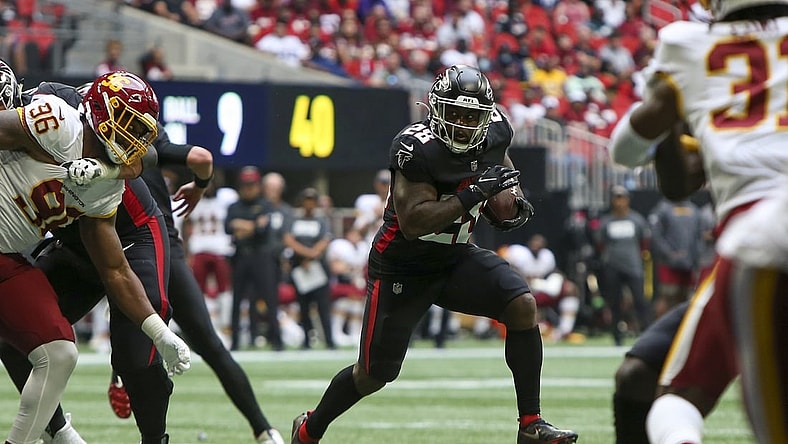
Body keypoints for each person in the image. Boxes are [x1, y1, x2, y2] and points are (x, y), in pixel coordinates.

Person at [289, 65, 577, 444]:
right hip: (402, 265)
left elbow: (502, 170)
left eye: (471, 116)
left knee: (522, 305)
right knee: (374, 374)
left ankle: (531, 424)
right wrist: (475, 192)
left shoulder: (495, 132)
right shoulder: (414, 147)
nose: (462, 124)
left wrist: (512, 197)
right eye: (455, 113)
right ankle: (310, 428)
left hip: (454, 256)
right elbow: (413, 222)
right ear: (436, 110)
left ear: (486, 116)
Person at [607, 2, 788, 442]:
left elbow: (625, 152)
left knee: (678, 398)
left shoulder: (688, 43)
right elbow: (679, 183)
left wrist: (667, 109)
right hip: (751, 235)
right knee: (643, 376)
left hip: (757, 236)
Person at [0, 67, 190, 444]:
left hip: (11, 259)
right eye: (129, 126)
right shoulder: (54, 119)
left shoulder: (105, 184)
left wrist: (159, 331)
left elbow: (115, 269)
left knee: (60, 351)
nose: (133, 139)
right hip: (23, 250)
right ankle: (60, 433)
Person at [226, 166, 280, 350]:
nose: (248, 188)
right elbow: (228, 227)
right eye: (245, 185)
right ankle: (234, 341)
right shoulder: (234, 206)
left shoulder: (264, 204)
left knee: (269, 297)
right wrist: (252, 225)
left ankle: (276, 340)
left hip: (261, 256)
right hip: (241, 256)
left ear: (258, 185)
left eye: (252, 184)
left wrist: (241, 226)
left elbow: (261, 230)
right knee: (237, 299)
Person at [593, 185, 652, 345]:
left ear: (627, 200)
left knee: (640, 300)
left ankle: (646, 333)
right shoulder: (606, 221)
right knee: (614, 302)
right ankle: (617, 336)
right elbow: (600, 243)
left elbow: (644, 242)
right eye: (616, 197)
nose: (619, 201)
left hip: (633, 265)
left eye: (622, 197)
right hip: (612, 266)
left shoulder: (636, 219)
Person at [283, 187, 334, 350]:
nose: (309, 204)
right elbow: (289, 240)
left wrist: (312, 254)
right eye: (307, 200)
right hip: (300, 268)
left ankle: (329, 340)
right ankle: (306, 340)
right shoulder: (294, 219)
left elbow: (325, 240)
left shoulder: (321, 220)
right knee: (303, 306)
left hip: (317, 268)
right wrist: (306, 254)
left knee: (323, 306)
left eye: (312, 200)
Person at [647, 197, 703, 318]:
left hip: (689, 264)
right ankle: (660, 329)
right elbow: (655, 236)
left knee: (686, 298)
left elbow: (699, 236)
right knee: (667, 297)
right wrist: (669, 254)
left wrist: (694, 256)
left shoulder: (694, 210)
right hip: (668, 264)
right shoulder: (662, 209)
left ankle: (679, 331)